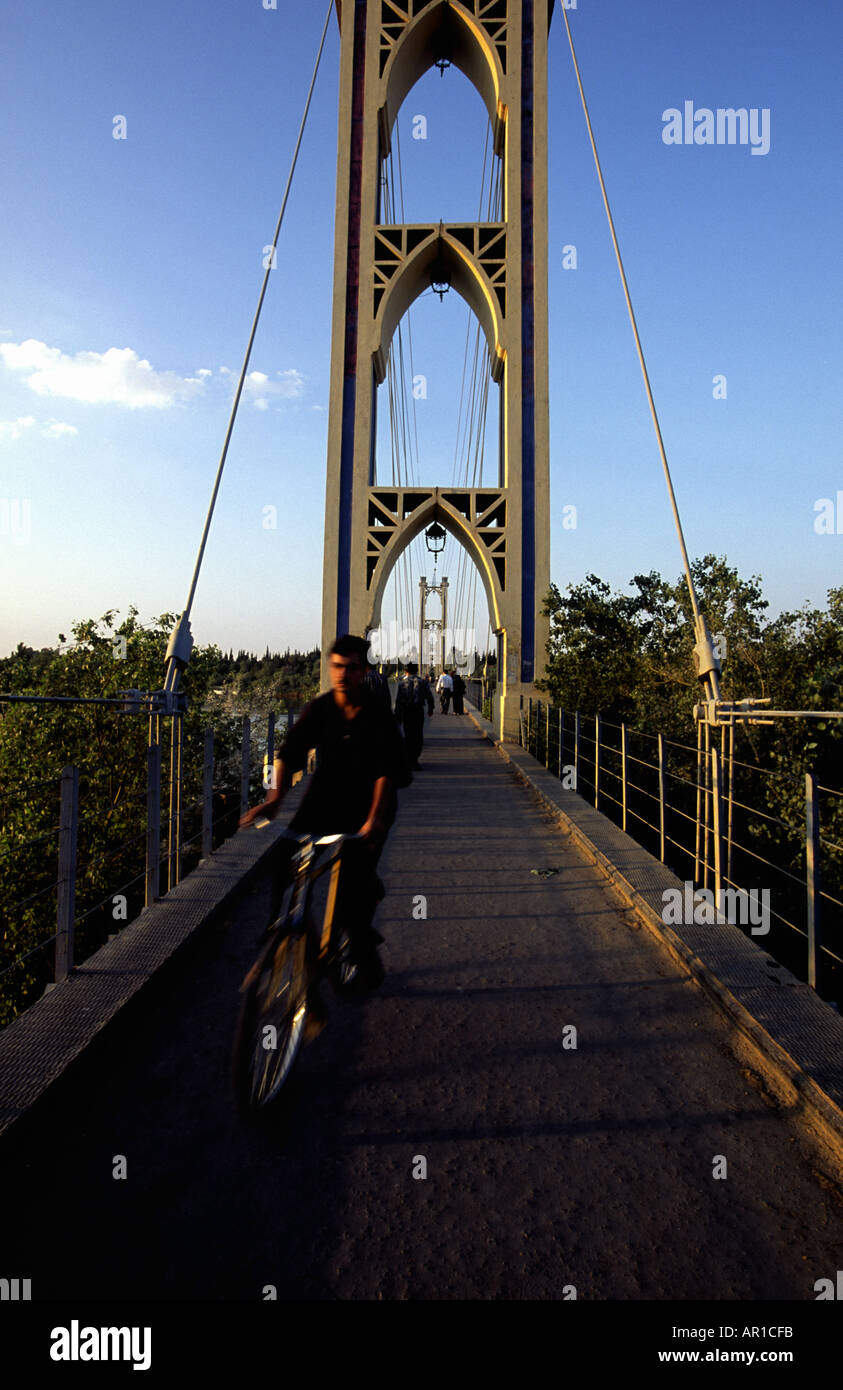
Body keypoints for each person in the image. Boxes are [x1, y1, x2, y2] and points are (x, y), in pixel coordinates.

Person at [239, 633, 403, 1000]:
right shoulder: (320, 709)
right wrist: (275, 800)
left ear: (364, 671)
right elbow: (290, 753)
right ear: (330, 668)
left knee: (349, 896)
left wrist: (373, 822)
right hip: (326, 796)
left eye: (352, 668)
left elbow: (385, 774)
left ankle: (362, 950)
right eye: (337, 667)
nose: (343, 674)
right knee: (284, 854)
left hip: (370, 804)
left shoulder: (378, 717)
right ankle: (282, 930)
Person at [394, 661, 434, 770]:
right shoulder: (423, 682)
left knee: (408, 735)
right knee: (417, 735)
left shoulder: (402, 683)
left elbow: (399, 701)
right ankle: (415, 759)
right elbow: (430, 696)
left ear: (406, 671)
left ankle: (409, 760)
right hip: (418, 711)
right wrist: (431, 709)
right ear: (416, 670)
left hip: (407, 712)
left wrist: (398, 716)